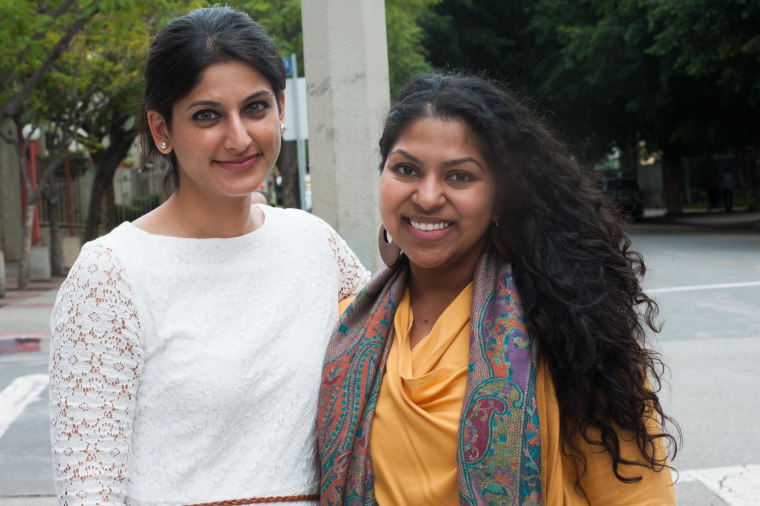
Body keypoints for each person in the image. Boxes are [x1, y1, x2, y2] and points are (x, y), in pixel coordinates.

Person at [48, 7, 369, 505]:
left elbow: (401, 348)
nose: (238, 138)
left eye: (256, 108)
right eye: (207, 116)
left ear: (281, 109)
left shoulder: (315, 245)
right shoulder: (111, 273)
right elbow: (89, 491)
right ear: (162, 129)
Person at [318, 72, 679, 505]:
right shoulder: (347, 326)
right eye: (406, 169)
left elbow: (636, 497)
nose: (428, 196)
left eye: (460, 177)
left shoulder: (569, 323)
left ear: (499, 197)